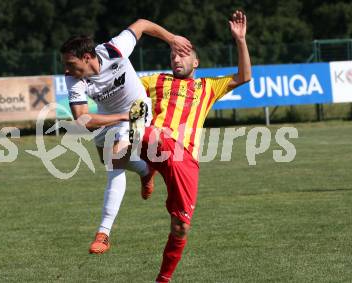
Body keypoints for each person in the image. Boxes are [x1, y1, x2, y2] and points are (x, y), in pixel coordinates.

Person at [131, 10, 251, 282]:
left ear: (195, 62)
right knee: (144, 129)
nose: (176, 58)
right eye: (173, 55)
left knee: (181, 226)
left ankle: (163, 279)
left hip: (185, 159)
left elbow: (243, 77)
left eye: (182, 55)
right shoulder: (155, 81)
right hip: (156, 140)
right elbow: (126, 89)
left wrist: (240, 40)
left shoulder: (207, 87)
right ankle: (145, 166)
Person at [60, 19, 192, 254]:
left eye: (71, 63)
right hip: (113, 116)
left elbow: (141, 24)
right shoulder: (74, 79)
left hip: (139, 109)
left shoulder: (114, 49)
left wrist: (172, 38)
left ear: (88, 57)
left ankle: (103, 234)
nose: (66, 70)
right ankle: (144, 170)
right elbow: (82, 119)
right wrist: (122, 117)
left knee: (115, 163)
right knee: (108, 159)